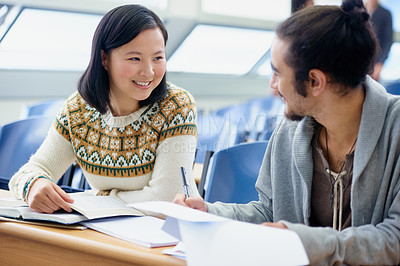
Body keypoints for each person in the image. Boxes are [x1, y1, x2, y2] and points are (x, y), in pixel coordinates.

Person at [174, 0, 400, 264]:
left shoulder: (394, 130)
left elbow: (394, 240)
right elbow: (269, 211)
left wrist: (303, 241)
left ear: (315, 81)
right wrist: (210, 212)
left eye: (277, 73)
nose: (272, 86)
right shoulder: (288, 129)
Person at [9, 4, 200, 214]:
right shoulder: (78, 110)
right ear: (104, 59)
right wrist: (33, 185)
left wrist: (98, 198)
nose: (149, 71)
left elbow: (165, 200)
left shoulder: (176, 105)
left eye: (158, 58)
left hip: (166, 235)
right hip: (106, 230)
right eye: (135, 58)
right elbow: (28, 172)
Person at [364, 0, 393, 81]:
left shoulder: (385, 13)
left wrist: (380, 63)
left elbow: (387, 41)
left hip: (375, 62)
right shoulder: (358, 10)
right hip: (357, 61)